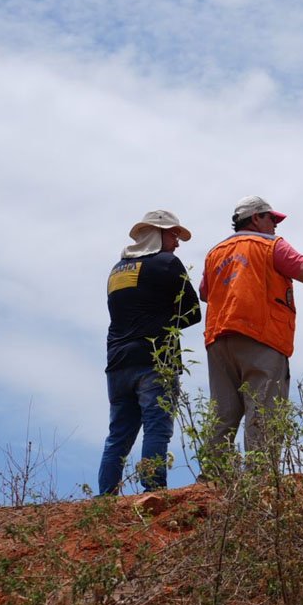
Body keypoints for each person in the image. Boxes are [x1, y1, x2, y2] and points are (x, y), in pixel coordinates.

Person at [200, 195, 303, 469]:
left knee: (222, 412)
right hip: (261, 337)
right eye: (271, 218)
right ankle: (260, 477)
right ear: (256, 218)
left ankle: (213, 476)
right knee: (264, 410)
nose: (275, 225)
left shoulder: (214, 253)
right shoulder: (270, 245)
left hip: (219, 339)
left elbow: (204, 293)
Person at [99, 209, 201, 495]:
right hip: (155, 359)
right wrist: (164, 322)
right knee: (157, 428)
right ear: (157, 234)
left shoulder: (117, 270)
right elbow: (193, 312)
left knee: (118, 434)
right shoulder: (167, 263)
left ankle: (105, 495)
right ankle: (153, 491)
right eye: (173, 235)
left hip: (118, 361)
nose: (177, 243)